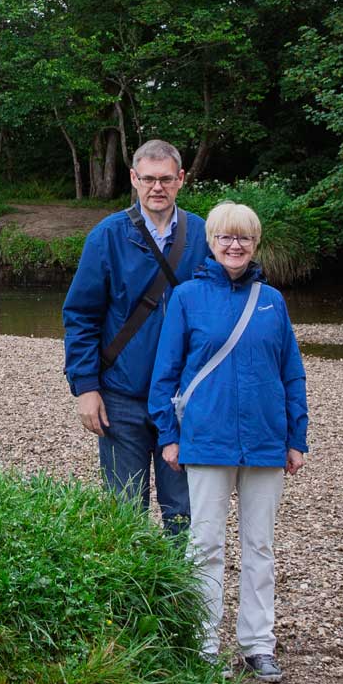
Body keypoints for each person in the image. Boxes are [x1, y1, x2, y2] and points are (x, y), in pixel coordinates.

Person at [149, 201, 309, 683]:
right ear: (211, 242)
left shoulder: (272, 300)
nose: (234, 245)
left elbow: (291, 373)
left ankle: (258, 644)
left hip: (264, 441)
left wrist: (295, 437)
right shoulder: (187, 297)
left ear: (255, 244)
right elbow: (165, 373)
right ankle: (201, 641)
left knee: (260, 547)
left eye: (243, 238)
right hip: (207, 439)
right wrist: (168, 435)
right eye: (225, 237)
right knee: (205, 544)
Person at [61, 140, 208, 534]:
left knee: (183, 509)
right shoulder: (107, 236)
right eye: (147, 179)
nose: (156, 187)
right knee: (125, 509)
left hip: (182, 398)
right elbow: (80, 315)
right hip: (121, 396)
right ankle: (130, 593)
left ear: (180, 180)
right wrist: (85, 387)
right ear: (133, 179)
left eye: (165, 179)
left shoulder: (205, 236)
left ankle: (180, 593)